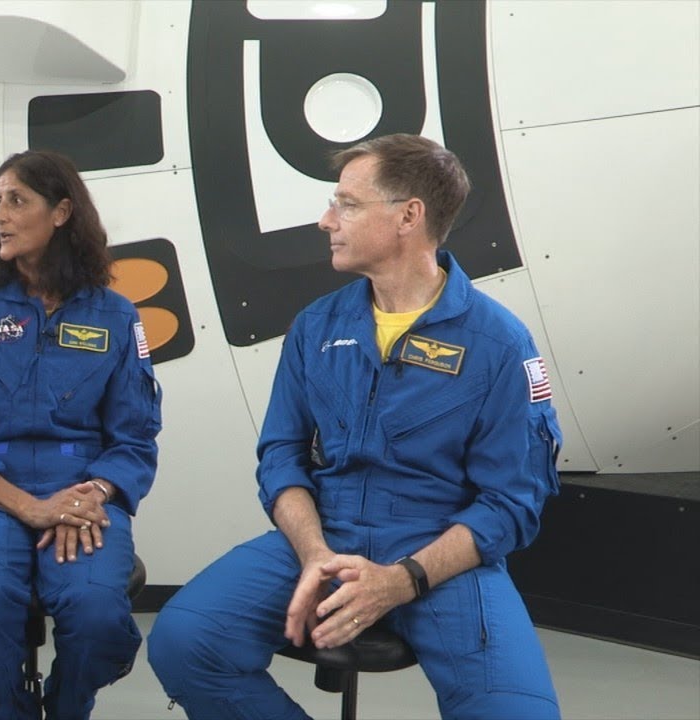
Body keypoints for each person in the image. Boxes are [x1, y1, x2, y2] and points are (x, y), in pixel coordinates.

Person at [148, 134, 562, 718]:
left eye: (346, 203)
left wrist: (402, 580)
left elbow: (513, 501)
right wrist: (314, 552)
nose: (325, 220)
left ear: (408, 216)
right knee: (184, 642)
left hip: (438, 546)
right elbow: (282, 457)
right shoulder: (317, 326)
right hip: (327, 533)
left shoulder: (499, 344)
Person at [0, 150, 162, 720]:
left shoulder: (116, 315)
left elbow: (135, 436)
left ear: (60, 213)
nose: (1, 215)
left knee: (98, 611)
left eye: (17, 200)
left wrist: (94, 495)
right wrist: (29, 507)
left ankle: (67, 708)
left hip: (81, 494)